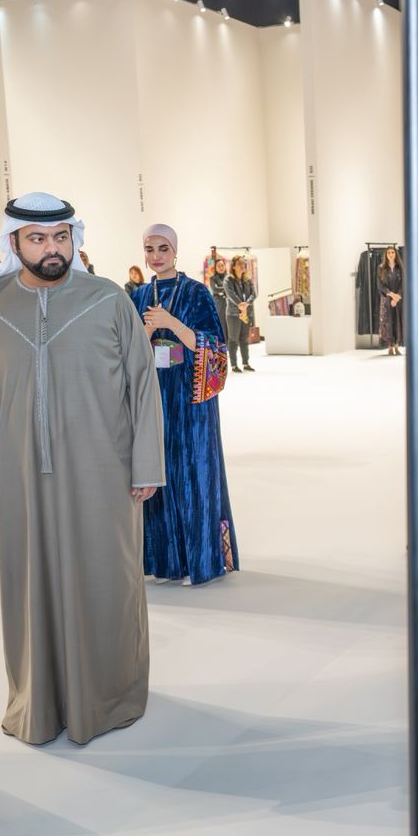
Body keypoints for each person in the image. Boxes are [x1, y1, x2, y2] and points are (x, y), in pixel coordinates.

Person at [0, 192, 164, 746]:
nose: (52, 249)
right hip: (17, 477)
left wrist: (146, 464)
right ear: (14, 242)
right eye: (38, 238)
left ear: (74, 239)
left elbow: (143, 385)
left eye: (61, 237)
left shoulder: (108, 299)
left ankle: (109, 698)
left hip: (104, 473)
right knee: (29, 588)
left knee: (106, 582)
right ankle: (37, 703)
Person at [133, 223, 238, 585]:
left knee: (194, 472)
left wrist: (171, 324)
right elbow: (127, 350)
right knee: (157, 472)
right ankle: (167, 561)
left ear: (175, 251)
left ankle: (203, 559)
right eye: (150, 249)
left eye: (163, 248)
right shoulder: (138, 294)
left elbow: (214, 347)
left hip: (191, 398)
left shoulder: (196, 292)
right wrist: (148, 331)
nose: (156, 256)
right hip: (153, 394)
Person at [224, 255, 257, 373]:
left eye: (244, 263)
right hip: (233, 314)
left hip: (246, 312)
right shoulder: (228, 280)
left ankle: (246, 363)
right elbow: (230, 294)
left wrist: (246, 304)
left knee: (244, 339)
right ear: (233, 266)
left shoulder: (247, 279)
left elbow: (254, 294)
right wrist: (240, 304)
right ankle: (234, 365)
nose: (242, 266)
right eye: (239, 264)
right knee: (233, 339)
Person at [377, 245, 404, 356]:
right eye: (388, 253)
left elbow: (403, 284)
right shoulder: (381, 268)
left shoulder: (400, 268)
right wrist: (391, 295)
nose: (391, 254)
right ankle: (390, 347)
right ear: (386, 255)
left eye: (392, 252)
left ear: (395, 254)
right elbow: (380, 285)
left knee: (398, 322)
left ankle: (397, 346)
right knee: (388, 322)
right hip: (386, 299)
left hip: (398, 300)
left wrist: (397, 296)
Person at [209, 257, 230, 331]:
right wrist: (227, 289)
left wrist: (223, 289)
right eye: (218, 266)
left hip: (229, 303)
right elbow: (215, 289)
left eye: (222, 265)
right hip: (219, 303)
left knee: (230, 323)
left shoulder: (229, 278)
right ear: (215, 268)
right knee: (221, 323)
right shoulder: (212, 278)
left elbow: (231, 288)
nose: (221, 267)